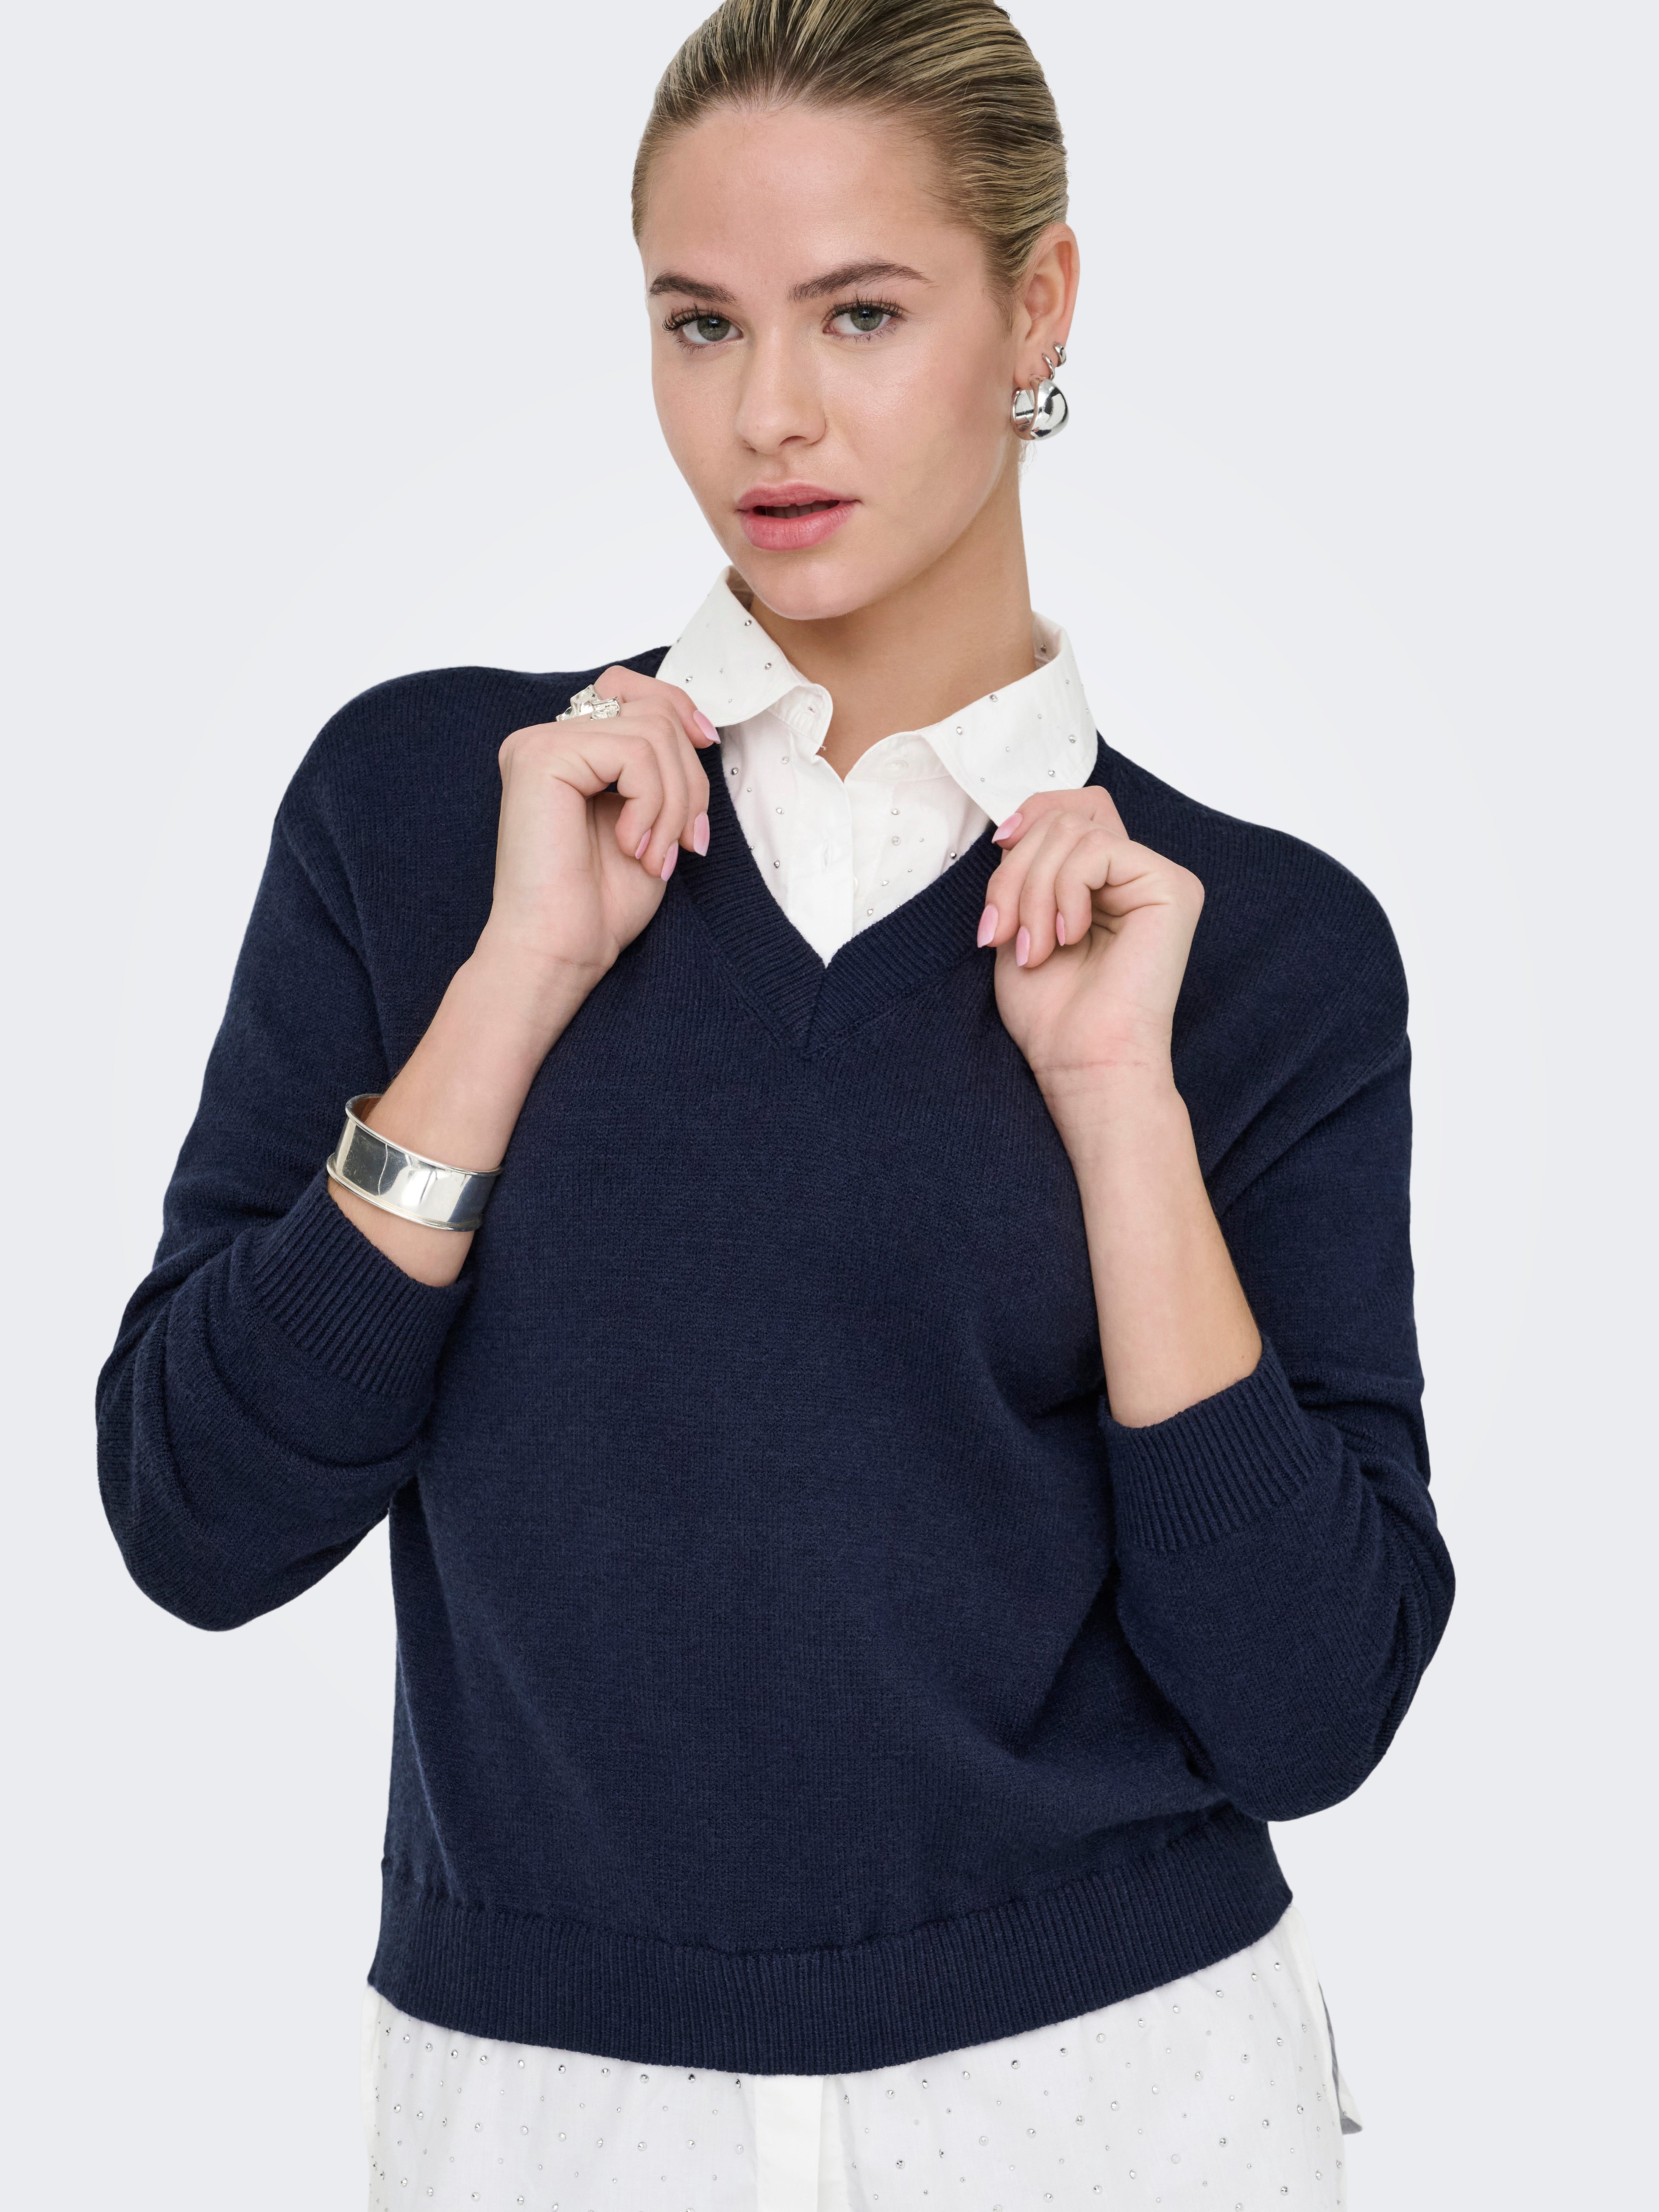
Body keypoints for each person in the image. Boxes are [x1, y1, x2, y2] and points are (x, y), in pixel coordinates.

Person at [96, 3, 1455, 2204]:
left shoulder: (1258, 953)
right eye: (702, 322)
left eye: (863, 314)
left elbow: (1309, 1707)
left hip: (1117, 2101)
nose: (770, 415)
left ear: (1040, 307)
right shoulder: (435, 819)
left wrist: (1118, 1107)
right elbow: (197, 1519)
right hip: (546, 2112)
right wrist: (515, 986)